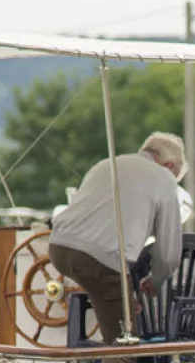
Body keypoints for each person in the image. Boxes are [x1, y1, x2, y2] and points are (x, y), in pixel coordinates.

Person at [49, 132, 187, 344]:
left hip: (58, 248)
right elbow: (168, 254)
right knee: (124, 341)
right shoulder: (164, 177)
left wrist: (127, 293)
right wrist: (156, 281)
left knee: (115, 301)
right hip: (98, 260)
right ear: (169, 166)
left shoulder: (105, 164)